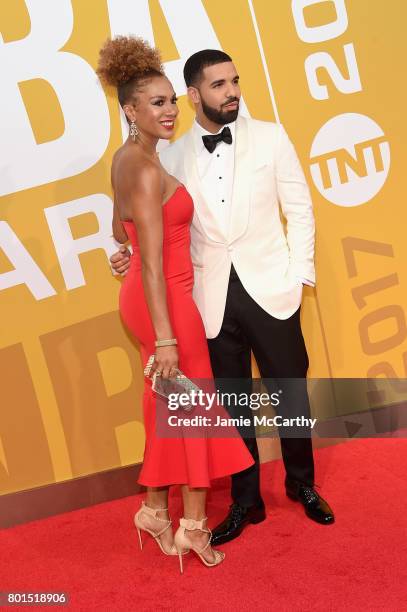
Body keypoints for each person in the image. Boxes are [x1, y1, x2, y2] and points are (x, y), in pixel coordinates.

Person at [110, 48, 335, 546]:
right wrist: (126, 252)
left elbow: (300, 210)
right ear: (194, 96)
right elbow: (154, 229)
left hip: (271, 288)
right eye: (218, 85)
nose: (231, 91)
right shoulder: (168, 153)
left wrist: (297, 277)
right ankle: (245, 501)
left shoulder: (271, 138)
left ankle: (302, 484)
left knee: (288, 390)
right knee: (230, 405)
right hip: (207, 298)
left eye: (234, 81)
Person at [97, 37, 254, 571]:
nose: (169, 111)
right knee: (195, 411)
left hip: (155, 295)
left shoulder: (130, 158)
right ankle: (193, 528)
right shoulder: (143, 167)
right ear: (130, 111)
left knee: (172, 409)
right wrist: (165, 338)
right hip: (166, 302)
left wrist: (125, 251)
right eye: (156, 103)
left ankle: (154, 513)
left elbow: (133, 235)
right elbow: (153, 262)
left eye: (170, 100)